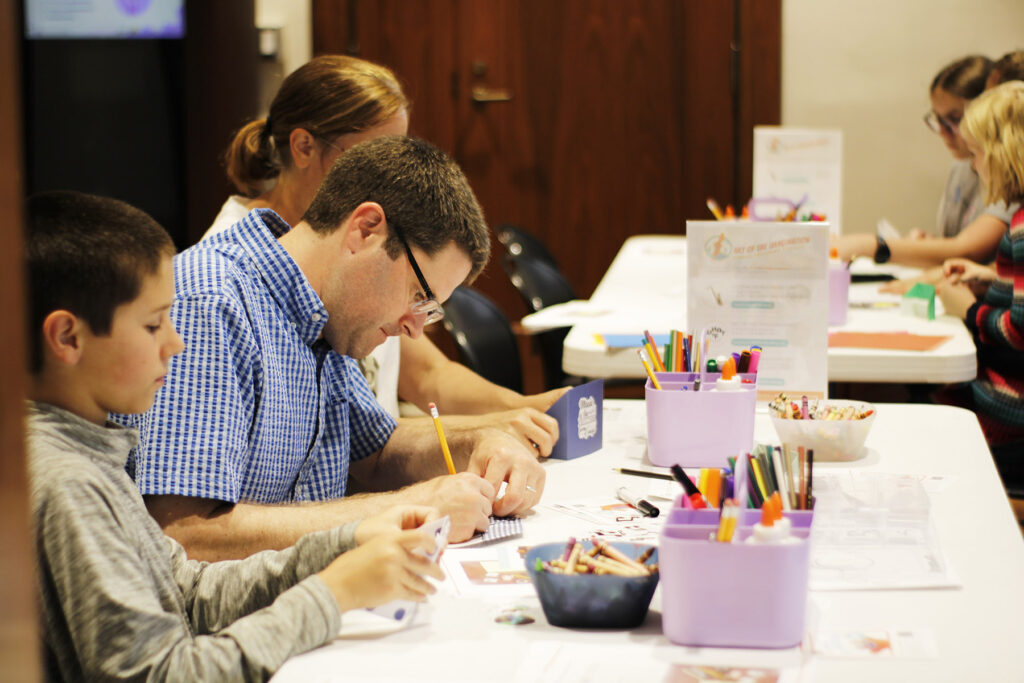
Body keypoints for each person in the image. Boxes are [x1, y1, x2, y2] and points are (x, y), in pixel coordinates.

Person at [25, 190, 445, 681]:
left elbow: (186, 591)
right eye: (153, 324)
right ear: (68, 338)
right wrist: (331, 595)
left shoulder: (91, 451)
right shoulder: (67, 482)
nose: (175, 342)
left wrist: (342, 546)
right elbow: (164, 673)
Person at [121, 136, 544, 560]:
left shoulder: (327, 317)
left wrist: (482, 442)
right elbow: (183, 536)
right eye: (419, 296)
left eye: (430, 310)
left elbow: (378, 452)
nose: (416, 330)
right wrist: (410, 507)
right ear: (365, 229)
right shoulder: (212, 304)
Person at [208, 54, 567, 457]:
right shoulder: (236, 275)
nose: (386, 174)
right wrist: (491, 426)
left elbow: (427, 375)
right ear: (304, 145)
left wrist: (529, 409)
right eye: (370, 153)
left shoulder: (371, 252)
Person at [834, 56, 1016, 270]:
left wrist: (870, 245)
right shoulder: (962, 166)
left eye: (955, 119)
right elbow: (957, 246)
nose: (944, 133)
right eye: (938, 120)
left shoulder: (1005, 175)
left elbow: (967, 250)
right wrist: (932, 244)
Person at [937, 81, 1024, 462]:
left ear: (1002, 155)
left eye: (976, 154)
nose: (973, 165)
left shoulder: (1020, 228)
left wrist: (967, 308)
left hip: (1011, 406)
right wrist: (991, 277)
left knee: (935, 404)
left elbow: (1017, 329)